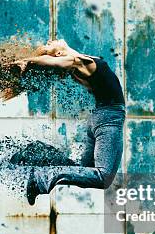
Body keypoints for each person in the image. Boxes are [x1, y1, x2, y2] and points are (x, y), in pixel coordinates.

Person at [9, 39, 126, 205]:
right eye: (49, 46)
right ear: (58, 54)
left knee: (83, 170)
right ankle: (39, 179)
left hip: (97, 118)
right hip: (108, 119)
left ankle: (37, 153)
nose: (50, 41)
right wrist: (27, 60)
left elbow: (54, 62)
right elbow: (53, 62)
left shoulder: (78, 64)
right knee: (103, 177)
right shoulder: (77, 62)